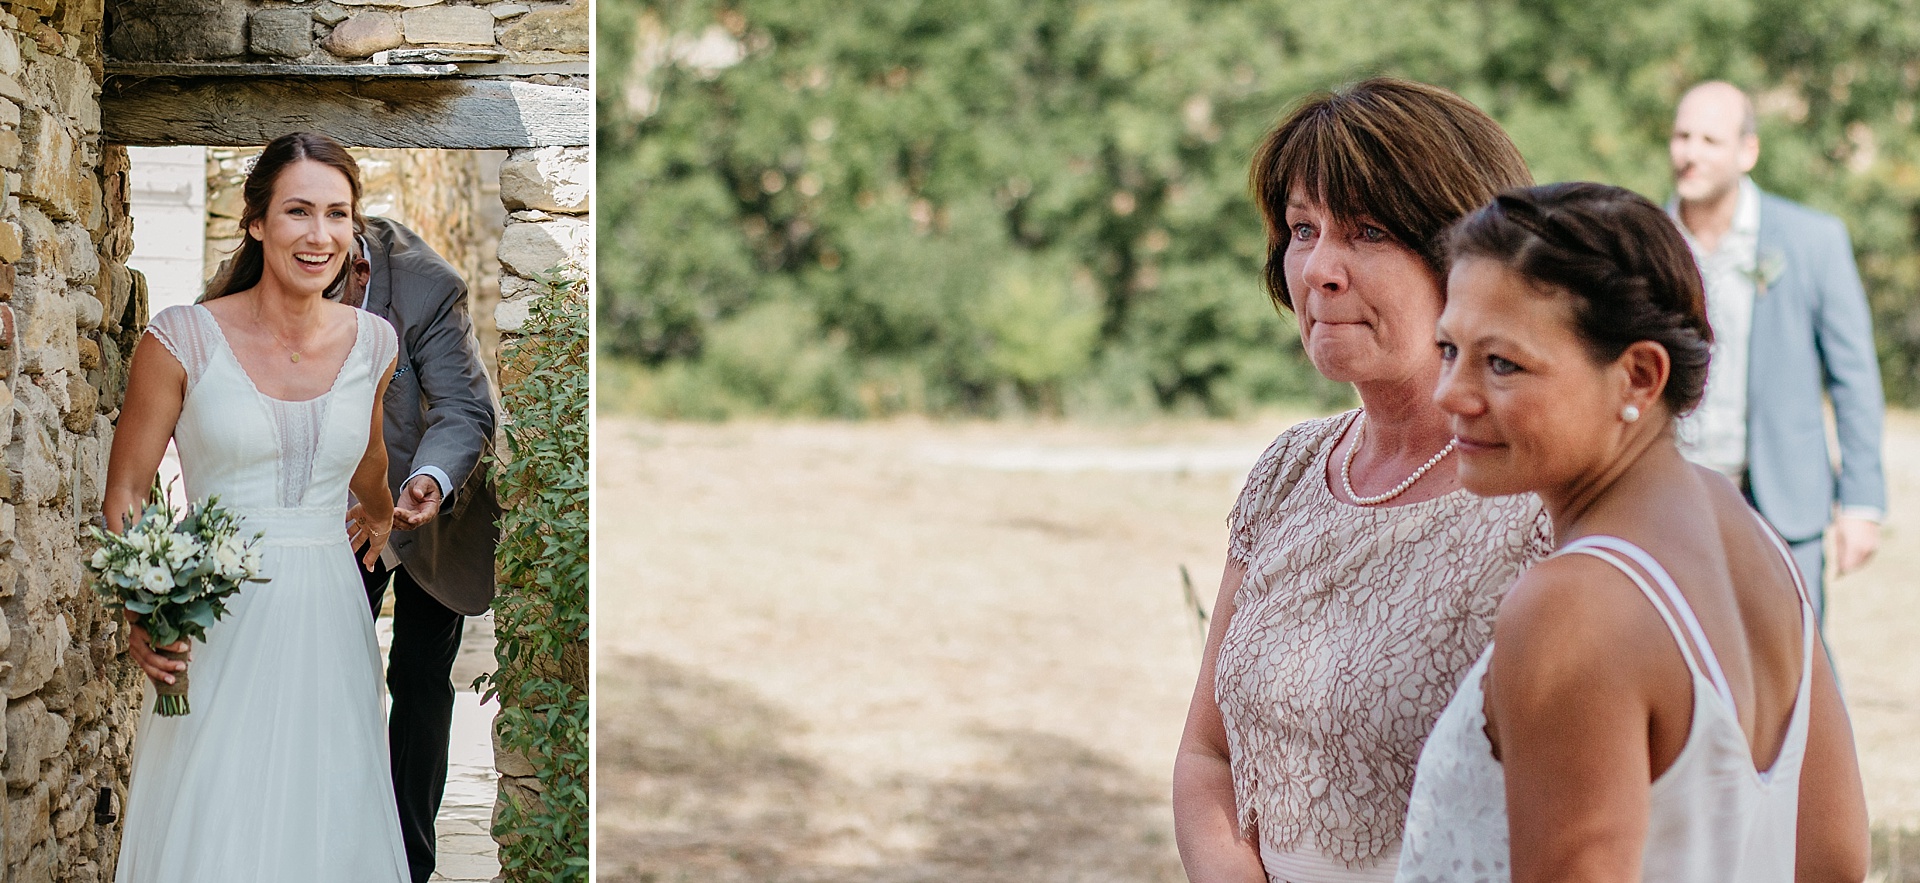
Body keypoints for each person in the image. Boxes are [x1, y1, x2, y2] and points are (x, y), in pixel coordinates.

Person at [1398, 182, 1868, 882]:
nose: (1451, 394)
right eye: (1447, 349)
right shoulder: (1755, 538)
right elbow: (1834, 860)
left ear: (1639, 377)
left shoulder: (1573, 606)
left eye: (1501, 363)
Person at [1172, 77, 1553, 883]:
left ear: (1467, 255)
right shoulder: (1287, 471)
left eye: (1369, 231)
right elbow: (1208, 754)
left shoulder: (1544, 503)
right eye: (1303, 230)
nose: (1320, 269)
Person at [104, 131, 411, 881]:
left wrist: (381, 514)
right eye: (298, 211)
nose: (320, 234)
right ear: (256, 222)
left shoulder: (376, 343)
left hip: (331, 616)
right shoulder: (180, 338)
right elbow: (127, 495)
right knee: (217, 817)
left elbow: (368, 465)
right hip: (216, 619)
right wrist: (146, 611)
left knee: (328, 816)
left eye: (338, 215)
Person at [1666, 80, 1886, 620]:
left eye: (1709, 141)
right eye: (1681, 136)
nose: (1690, 153)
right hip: (1670, 496)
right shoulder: (1643, 238)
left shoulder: (1814, 240)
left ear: (1748, 151)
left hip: (1786, 504)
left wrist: (1861, 503)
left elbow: (1853, 378)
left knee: (1797, 670)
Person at [340, 214, 501, 883]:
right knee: (332, 670)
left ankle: (409, 862)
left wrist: (427, 481)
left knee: (419, 678)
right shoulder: (263, 278)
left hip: (431, 511)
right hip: (340, 512)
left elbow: (464, 408)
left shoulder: (427, 285)